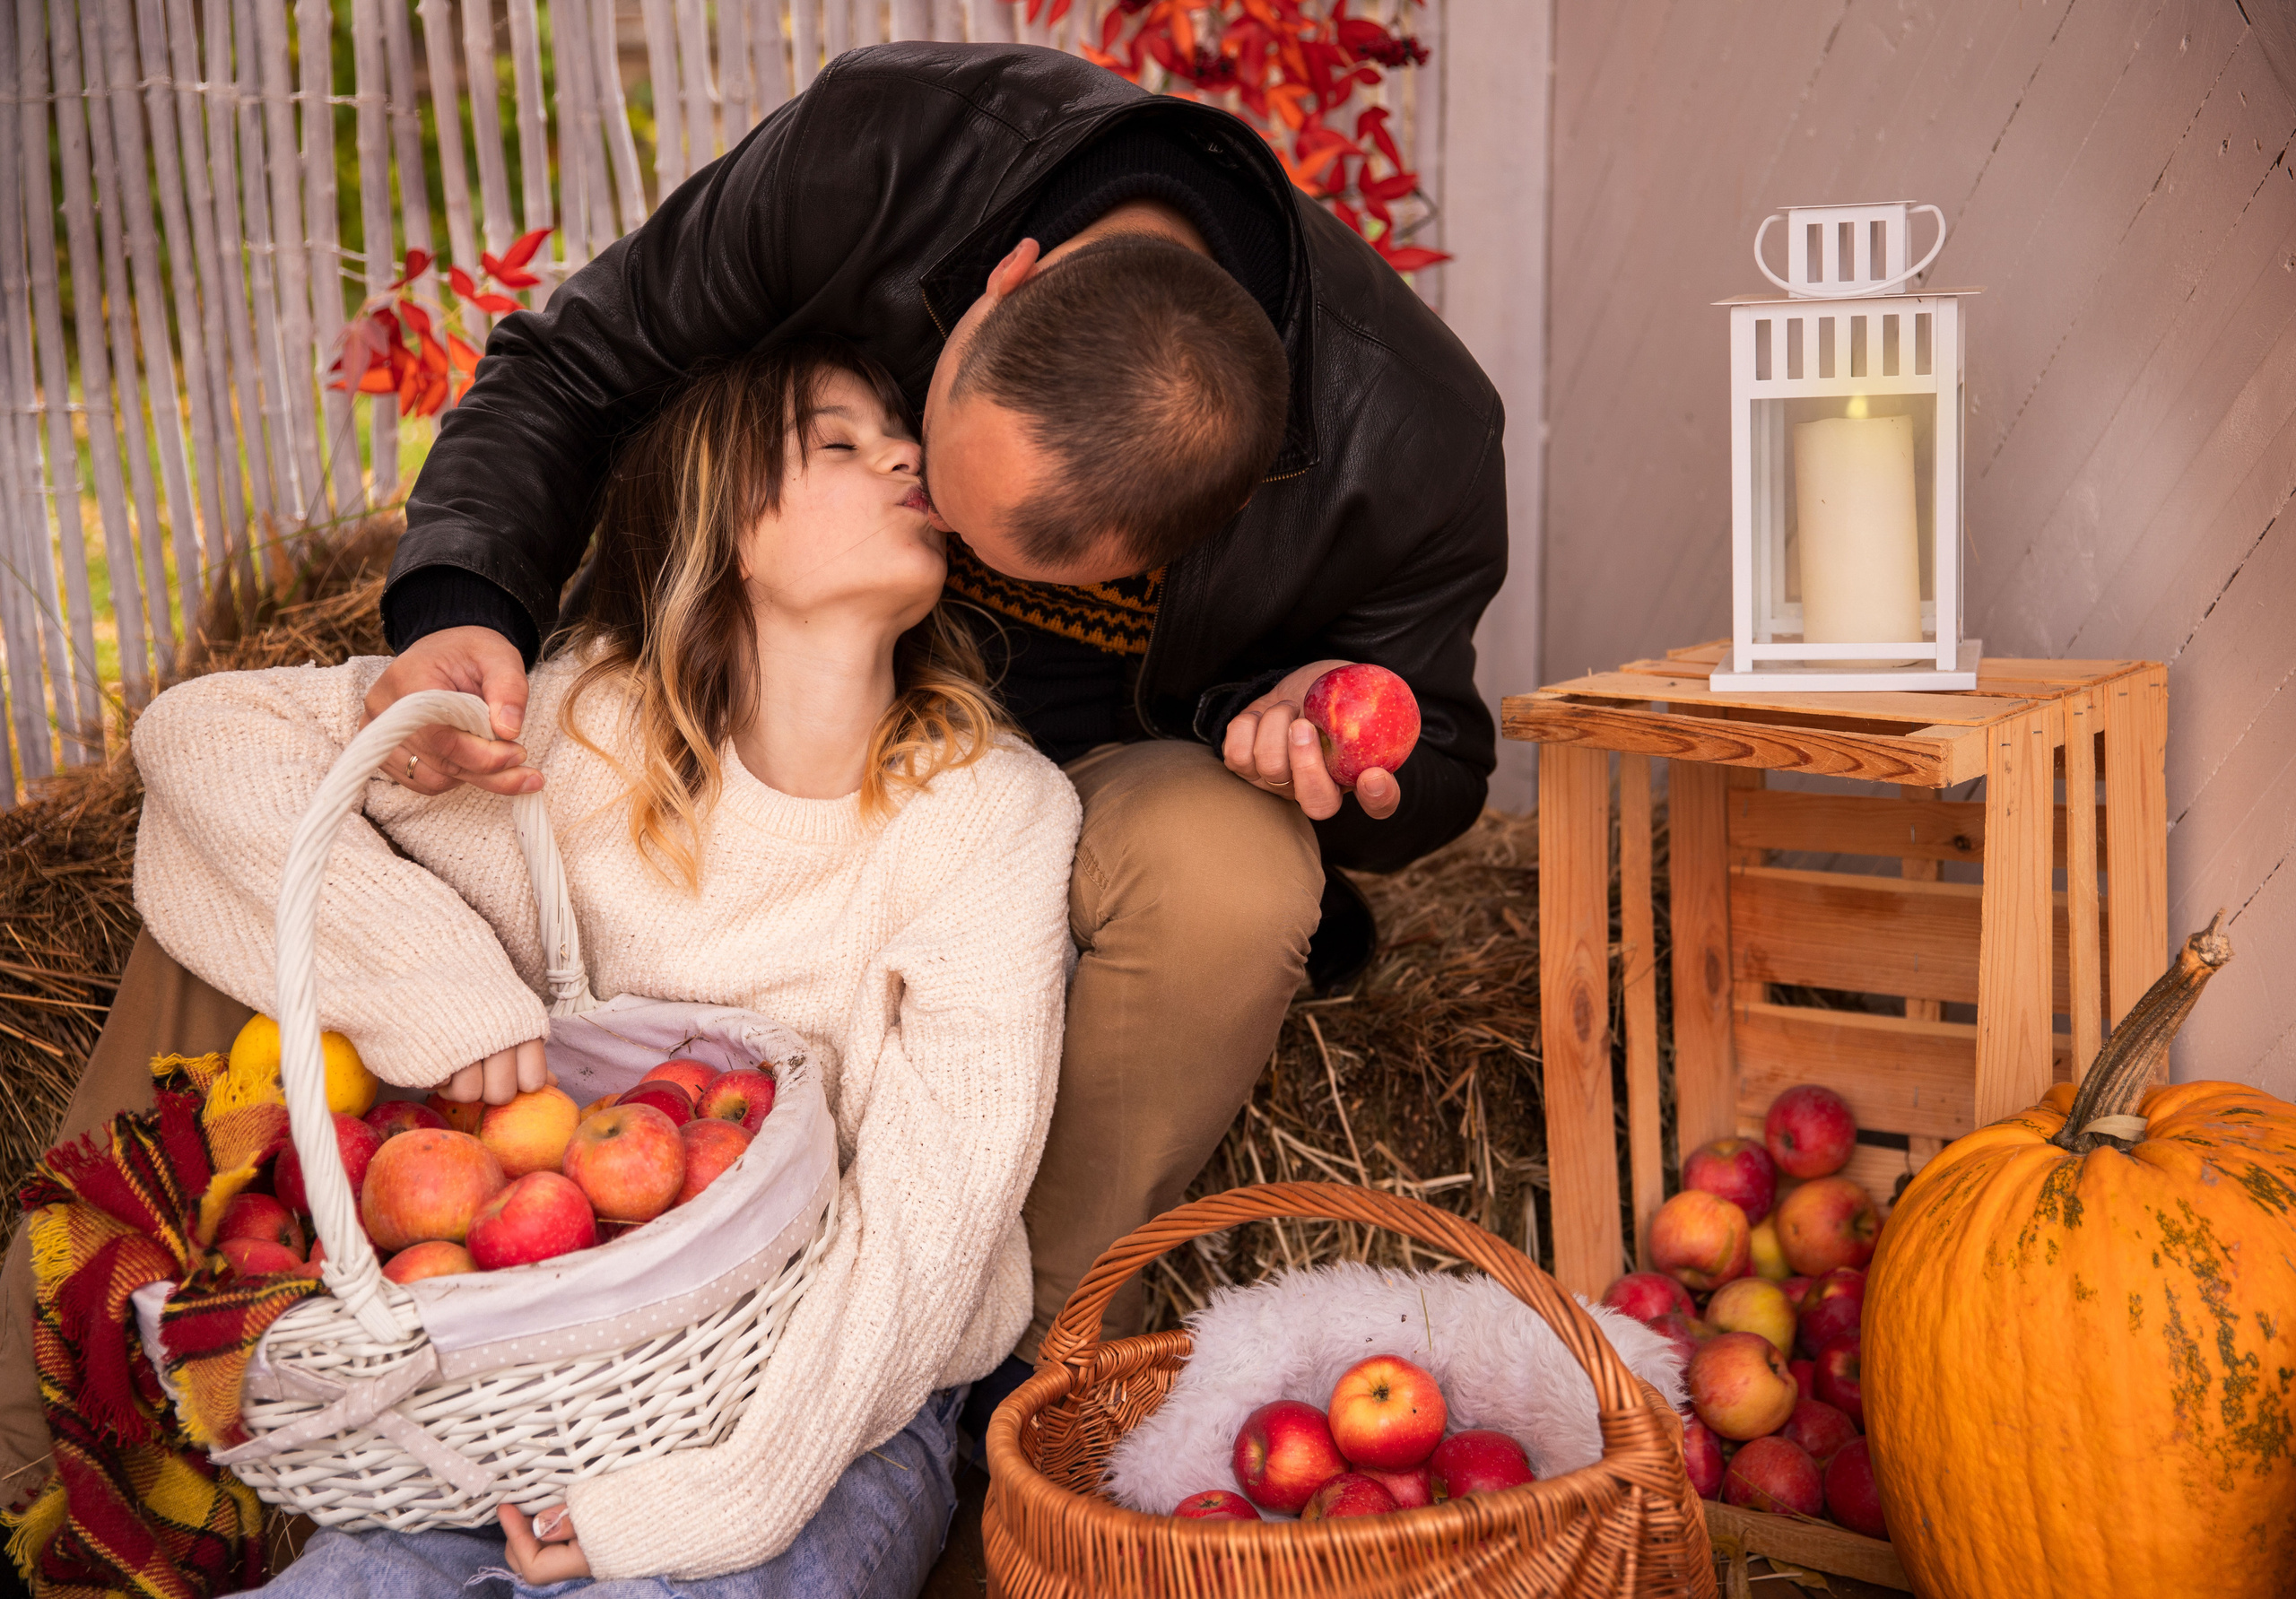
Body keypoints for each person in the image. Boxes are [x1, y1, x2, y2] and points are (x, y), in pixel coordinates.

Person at [44, 39, 1507, 1452]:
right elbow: (573, 369)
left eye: (1019, 554)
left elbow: (1440, 754)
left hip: (1051, 781)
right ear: (1003, 284)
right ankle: (53, 1397)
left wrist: (1328, 731)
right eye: (918, 458)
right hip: (722, 708)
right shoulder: (888, 151)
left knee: (1231, 872)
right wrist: (459, 610)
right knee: (273, 863)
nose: (911, 488)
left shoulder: (1418, 448)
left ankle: (993, 1396)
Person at [118, 338, 1079, 1593]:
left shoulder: (989, 812)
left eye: (904, 440)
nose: (908, 454)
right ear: (725, 524)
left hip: (813, 1435)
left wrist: (719, 1501)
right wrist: (435, 986)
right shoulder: (580, 742)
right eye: (841, 443)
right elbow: (202, 738)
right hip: (503, 1400)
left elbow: (927, 1230)